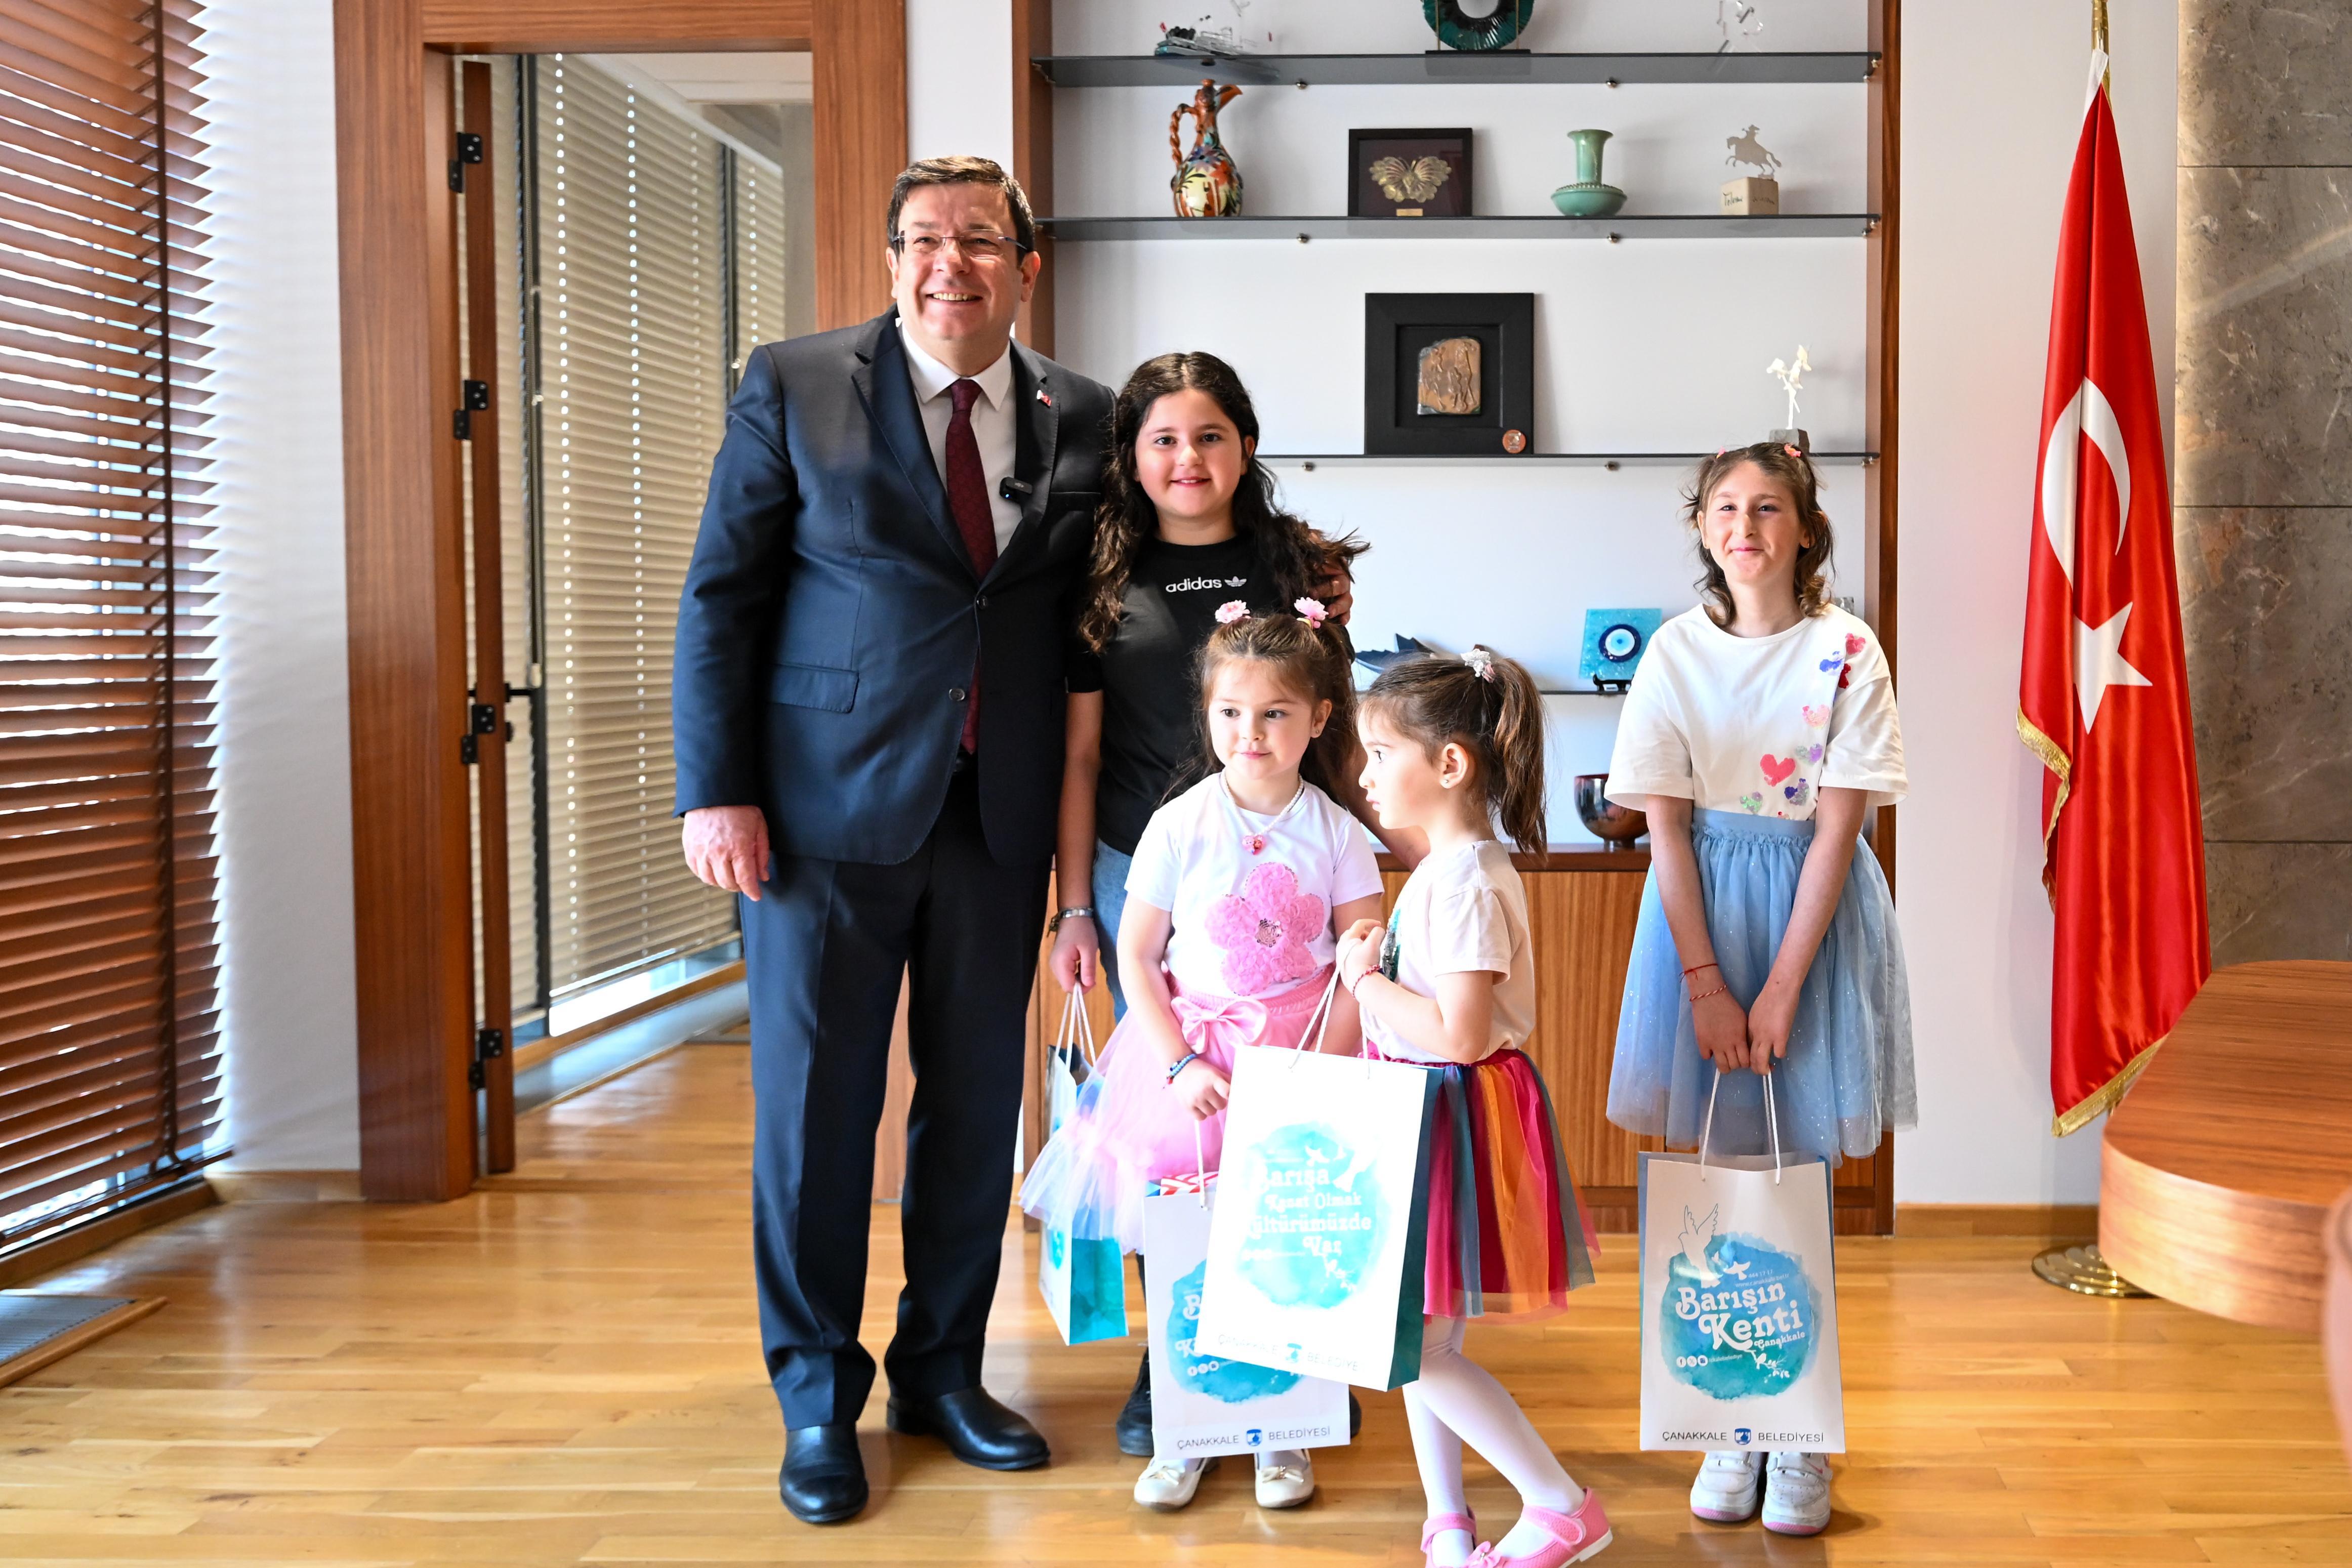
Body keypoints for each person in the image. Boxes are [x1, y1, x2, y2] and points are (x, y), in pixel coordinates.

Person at [671, 156, 1115, 1527]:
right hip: (817, 818)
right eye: (922, 239)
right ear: (891, 262)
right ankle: (817, 1396)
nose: (947, 264)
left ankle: (941, 1371)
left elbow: (1109, 597)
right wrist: (716, 789)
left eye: (978, 239)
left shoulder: (1086, 414)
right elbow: (722, 597)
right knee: (816, 1116)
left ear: (1024, 267)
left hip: (998, 816)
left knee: (974, 1110)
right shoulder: (795, 384)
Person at [1042, 349, 1407, 1459]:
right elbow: (1079, 754)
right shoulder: (1099, 572)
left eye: (1209, 435)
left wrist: (1385, 852)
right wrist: (1073, 907)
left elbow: (1329, 722)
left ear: (1245, 445)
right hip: (1147, 873)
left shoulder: (1300, 566)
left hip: (1293, 880)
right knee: (1178, 1139)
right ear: (1132, 455)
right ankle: (1177, 1362)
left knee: (1292, 1138)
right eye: (1162, 438)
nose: (1187, 458)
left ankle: (1298, 1354)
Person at [1601, 441, 1914, 1538]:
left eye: (1768, 507)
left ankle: (1802, 1437)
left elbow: (1839, 826)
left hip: (1809, 923)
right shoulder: (1672, 652)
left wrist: (1780, 987)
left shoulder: (1846, 649)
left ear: (1805, 528)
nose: (1746, 525)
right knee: (1725, 1176)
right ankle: (1731, 1419)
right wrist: (1705, 983)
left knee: (1798, 1176)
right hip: (1698, 917)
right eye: (1725, 507)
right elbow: (1663, 828)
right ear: (1702, 527)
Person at [1022, 606, 1386, 1511]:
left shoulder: (1338, 832)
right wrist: (1180, 1063)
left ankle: (1284, 1427)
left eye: (1274, 714)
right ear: (1209, 713)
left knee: (1286, 1235)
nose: (1249, 733)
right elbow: (1139, 957)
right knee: (1189, 1242)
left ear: (1319, 719)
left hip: (1302, 1056)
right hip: (1194, 1065)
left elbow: (1361, 958)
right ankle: (1188, 1424)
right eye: (1231, 712)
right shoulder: (1179, 824)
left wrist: (1320, 1072)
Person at [1336, 647, 1606, 1568]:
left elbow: (1459, 1033)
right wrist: (1386, 957)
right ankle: (1447, 1516)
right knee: (1425, 1331)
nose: (1365, 773)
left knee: (1419, 1346)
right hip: (1433, 1111)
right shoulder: (1452, 868)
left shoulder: (1462, 880)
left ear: (1449, 763)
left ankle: (1559, 1504)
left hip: (1448, 1113)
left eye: (1380, 753)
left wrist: (1365, 980)